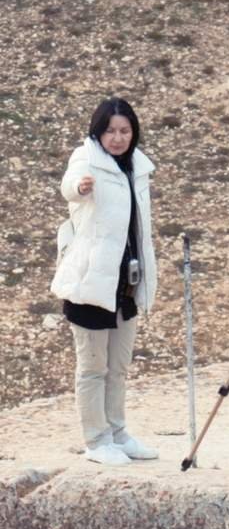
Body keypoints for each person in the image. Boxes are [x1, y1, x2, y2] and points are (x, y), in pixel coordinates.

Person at [51, 97, 159, 466]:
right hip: (92, 282)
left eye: (124, 130)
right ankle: (96, 440)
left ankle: (117, 430)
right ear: (98, 131)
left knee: (119, 364)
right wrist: (80, 188)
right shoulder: (86, 159)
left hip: (126, 281)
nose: (117, 138)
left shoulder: (136, 167)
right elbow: (69, 186)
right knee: (93, 366)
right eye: (110, 130)